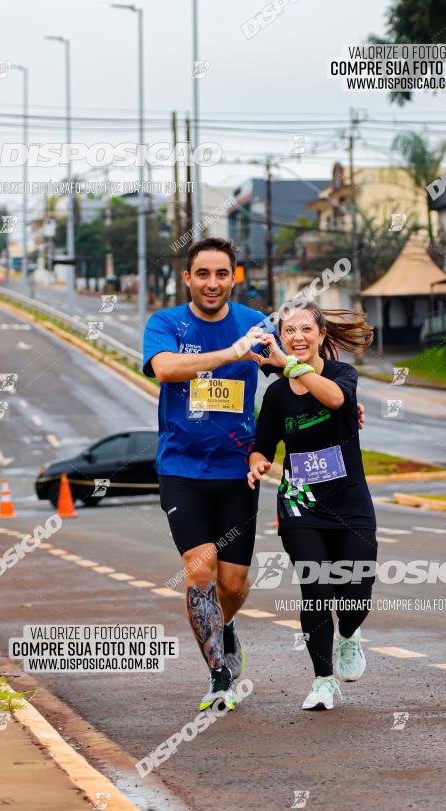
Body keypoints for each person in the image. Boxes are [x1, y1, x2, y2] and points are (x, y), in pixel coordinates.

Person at [142, 237, 280, 712]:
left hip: (237, 471)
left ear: (234, 277)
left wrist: (339, 395)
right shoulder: (166, 323)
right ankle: (219, 675)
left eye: (222, 274)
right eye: (203, 274)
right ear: (188, 279)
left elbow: (288, 376)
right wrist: (230, 354)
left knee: (234, 584)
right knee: (200, 569)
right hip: (181, 469)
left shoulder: (255, 324)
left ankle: (224, 625)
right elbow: (166, 370)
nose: (212, 283)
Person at [248, 301, 376, 710]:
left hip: (350, 502)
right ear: (281, 336)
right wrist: (258, 462)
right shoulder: (278, 395)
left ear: (322, 335)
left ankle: (350, 635)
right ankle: (322, 681)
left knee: (355, 594)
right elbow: (261, 445)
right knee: (316, 589)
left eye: (306, 329)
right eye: (289, 331)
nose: (298, 336)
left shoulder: (341, 375)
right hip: (300, 504)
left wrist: (287, 363)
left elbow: (336, 400)